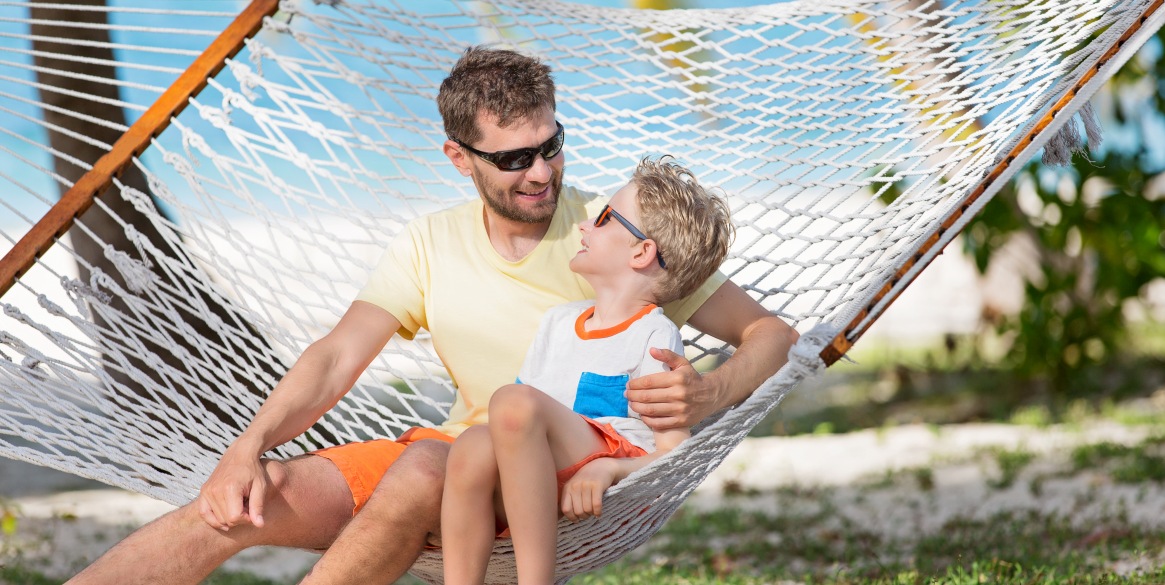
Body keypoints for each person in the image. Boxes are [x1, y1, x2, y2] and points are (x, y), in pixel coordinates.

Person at [66, 46, 799, 585]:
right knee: (240, 503)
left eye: (550, 147)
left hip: (538, 482)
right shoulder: (431, 242)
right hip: (450, 456)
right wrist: (245, 445)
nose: (541, 172)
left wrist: (710, 391)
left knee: (421, 466)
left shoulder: (618, 240)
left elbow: (771, 335)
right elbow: (335, 357)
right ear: (459, 157)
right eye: (513, 159)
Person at [442, 156, 734, 584]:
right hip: (533, 481)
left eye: (603, 219)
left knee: (511, 401)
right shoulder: (558, 322)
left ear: (641, 252)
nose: (583, 226)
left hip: (604, 480)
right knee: (471, 446)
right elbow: (515, 425)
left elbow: (673, 452)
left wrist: (611, 469)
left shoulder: (654, 336)